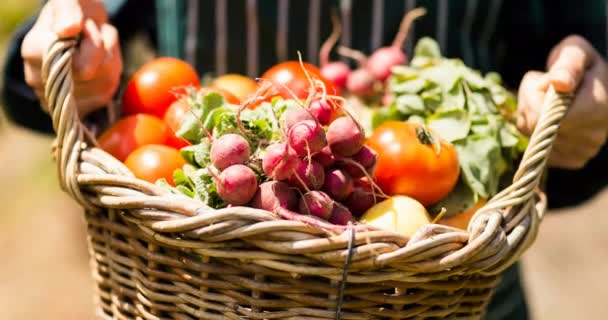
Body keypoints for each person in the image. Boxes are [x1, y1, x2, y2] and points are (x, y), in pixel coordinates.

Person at [2, 1, 608, 319]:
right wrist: (70, 61)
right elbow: (75, 32)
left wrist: (581, 115)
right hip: (195, 291)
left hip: (447, 294)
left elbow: (578, 42)